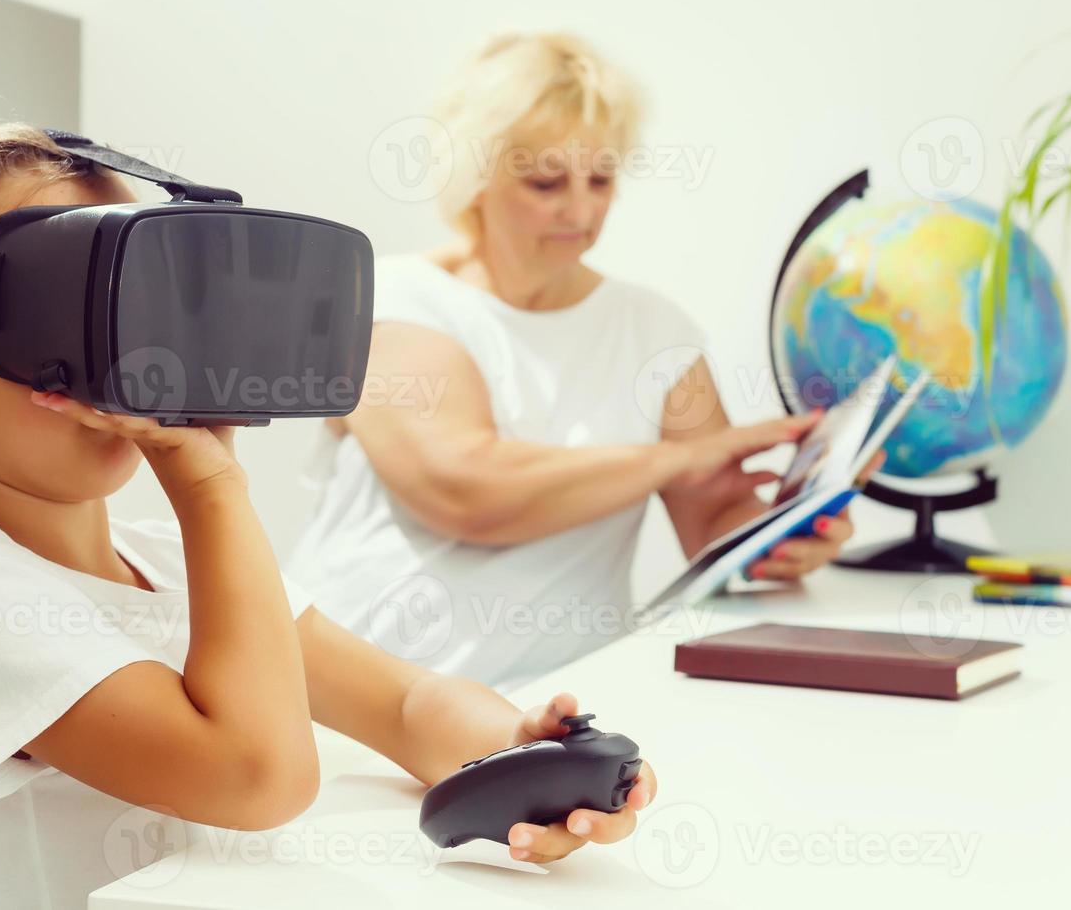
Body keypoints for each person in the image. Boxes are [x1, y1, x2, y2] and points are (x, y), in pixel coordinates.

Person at [0, 124, 655, 909]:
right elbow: (259, 778)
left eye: (123, 304)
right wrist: (211, 488)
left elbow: (404, 706)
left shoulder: (169, 562)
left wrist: (524, 755)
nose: (113, 362)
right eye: (60, 312)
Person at [289, 33, 869, 689]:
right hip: (348, 709)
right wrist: (678, 457)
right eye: (545, 181)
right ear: (474, 176)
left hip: (557, 710)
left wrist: (791, 531)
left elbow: (715, 523)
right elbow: (465, 490)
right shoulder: (389, 300)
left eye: (601, 178)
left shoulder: (657, 333)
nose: (581, 209)